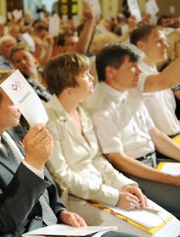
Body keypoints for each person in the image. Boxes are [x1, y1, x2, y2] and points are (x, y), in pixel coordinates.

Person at [0, 65, 86, 236]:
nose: (21, 107)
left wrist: (59, 211)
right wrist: (34, 162)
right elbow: (4, 220)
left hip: (50, 223)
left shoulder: (13, 127)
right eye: (13, 102)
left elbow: (44, 184)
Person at [43, 53, 149, 224]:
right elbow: (62, 176)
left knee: (160, 219)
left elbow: (98, 159)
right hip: (75, 199)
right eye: (85, 74)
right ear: (68, 84)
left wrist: (124, 185)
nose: (92, 77)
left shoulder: (81, 111)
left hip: (102, 188)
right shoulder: (49, 118)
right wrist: (114, 196)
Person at [84, 43, 180, 218]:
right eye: (132, 67)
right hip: (132, 174)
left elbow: (155, 135)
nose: (139, 72)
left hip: (154, 161)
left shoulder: (131, 91)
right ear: (110, 72)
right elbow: (118, 159)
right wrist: (171, 179)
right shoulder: (98, 106)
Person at [130, 25, 180, 136]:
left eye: (165, 41)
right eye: (159, 42)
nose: (166, 46)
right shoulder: (134, 74)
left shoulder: (158, 73)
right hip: (160, 145)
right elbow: (162, 82)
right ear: (141, 45)